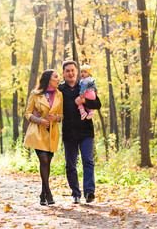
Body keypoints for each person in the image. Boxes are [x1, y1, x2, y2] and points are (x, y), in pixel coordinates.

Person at [59, 60, 101, 204]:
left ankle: (89, 192)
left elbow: (98, 104)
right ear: (63, 73)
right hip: (69, 132)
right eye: (67, 71)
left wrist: (83, 102)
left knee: (88, 161)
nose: (70, 73)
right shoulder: (60, 90)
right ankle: (75, 193)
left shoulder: (85, 84)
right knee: (70, 164)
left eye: (73, 70)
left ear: (77, 71)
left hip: (86, 131)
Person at [24, 69, 63, 206]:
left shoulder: (59, 95)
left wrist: (56, 117)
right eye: (56, 77)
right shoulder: (35, 94)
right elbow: (28, 114)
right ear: (48, 79)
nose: (59, 79)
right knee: (44, 161)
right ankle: (49, 193)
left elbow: (61, 115)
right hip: (38, 133)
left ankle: (42, 195)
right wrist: (39, 120)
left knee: (47, 163)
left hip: (52, 133)